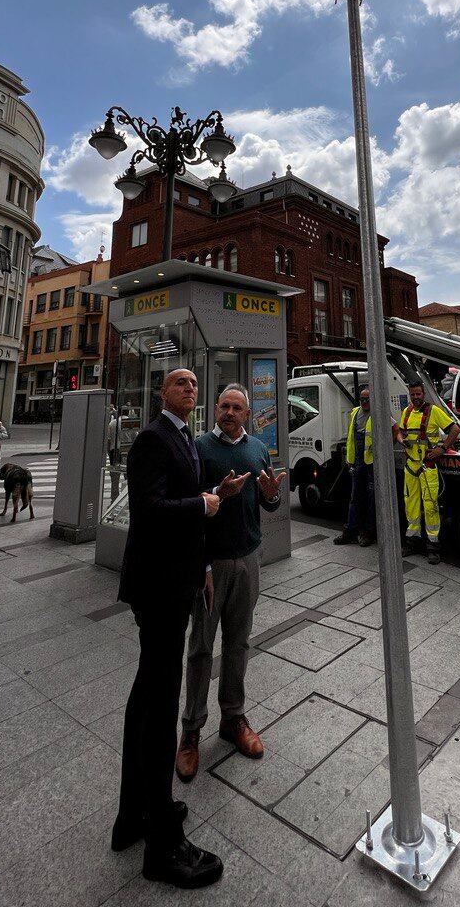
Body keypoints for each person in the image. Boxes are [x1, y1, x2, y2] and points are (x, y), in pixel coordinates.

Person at [113, 369, 232, 891]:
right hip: (157, 589)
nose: (190, 388)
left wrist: (203, 566)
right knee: (160, 706)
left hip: (177, 581)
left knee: (147, 698)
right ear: (162, 392)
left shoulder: (183, 438)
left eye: (192, 384)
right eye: (179, 383)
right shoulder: (151, 438)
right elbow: (149, 510)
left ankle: (134, 814)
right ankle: (161, 846)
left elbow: (183, 504)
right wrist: (202, 505)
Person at [176, 383, 284, 784]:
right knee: (201, 647)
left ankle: (233, 719)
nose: (230, 412)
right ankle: (190, 731)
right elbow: (190, 505)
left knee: (239, 642)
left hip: (247, 559)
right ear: (215, 409)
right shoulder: (200, 448)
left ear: (248, 413)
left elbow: (266, 501)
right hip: (210, 564)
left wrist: (271, 496)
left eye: (238, 407)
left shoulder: (257, 449)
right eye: (224, 405)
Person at [393, 380, 460, 565]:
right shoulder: (406, 412)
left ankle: (433, 546)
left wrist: (443, 448)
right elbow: (399, 432)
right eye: (413, 394)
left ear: (423, 394)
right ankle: (412, 541)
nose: (415, 397)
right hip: (411, 467)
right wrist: (401, 440)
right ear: (410, 394)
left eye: (418, 394)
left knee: (430, 506)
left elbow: (455, 429)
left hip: (427, 466)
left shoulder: (433, 411)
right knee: (411, 506)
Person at [333, 386, 375, 547]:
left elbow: (394, 429)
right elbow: (351, 439)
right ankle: (350, 531)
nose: (364, 402)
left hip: (371, 464)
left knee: (371, 500)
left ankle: (368, 533)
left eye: (367, 399)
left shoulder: (377, 412)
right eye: (362, 399)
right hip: (357, 463)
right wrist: (350, 460)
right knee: (355, 498)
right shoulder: (355, 413)